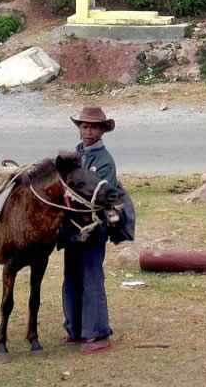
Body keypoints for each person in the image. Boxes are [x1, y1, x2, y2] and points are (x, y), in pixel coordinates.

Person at [61, 106, 118, 354]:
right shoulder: (74, 155)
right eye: (84, 126)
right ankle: (75, 330)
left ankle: (98, 334)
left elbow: (100, 195)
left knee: (92, 277)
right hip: (72, 227)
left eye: (93, 127)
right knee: (71, 276)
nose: (88, 131)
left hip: (94, 228)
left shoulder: (105, 161)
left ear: (102, 130)